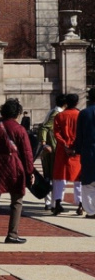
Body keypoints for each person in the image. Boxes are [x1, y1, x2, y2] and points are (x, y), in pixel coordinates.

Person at [0, 97, 34, 244]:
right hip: (15, 168)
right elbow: (27, 153)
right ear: (17, 113)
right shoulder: (20, 129)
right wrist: (30, 172)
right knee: (16, 201)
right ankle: (12, 234)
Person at [52, 93, 82, 216]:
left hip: (62, 150)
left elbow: (56, 133)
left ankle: (58, 203)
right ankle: (80, 204)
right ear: (76, 102)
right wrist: (75, 146)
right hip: (77, 150)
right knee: (78, 178)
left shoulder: (59, 116)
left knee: (60, 177)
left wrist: (64, 144)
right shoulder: (80, 115)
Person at [38, 94, 66, 210]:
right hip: (52, 149)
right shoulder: (57, 113)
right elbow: (44, 127)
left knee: (49, 176)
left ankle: (49, 202)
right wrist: (44, 143)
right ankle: (52, 202)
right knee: (54, 176)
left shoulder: (52, 111)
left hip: (50, 149)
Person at [75, 87, 95, 218]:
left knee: (88, 183)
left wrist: (77, 149)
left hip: (89, 150)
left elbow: (79, 135)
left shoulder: (84, 113)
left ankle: (91, 211)